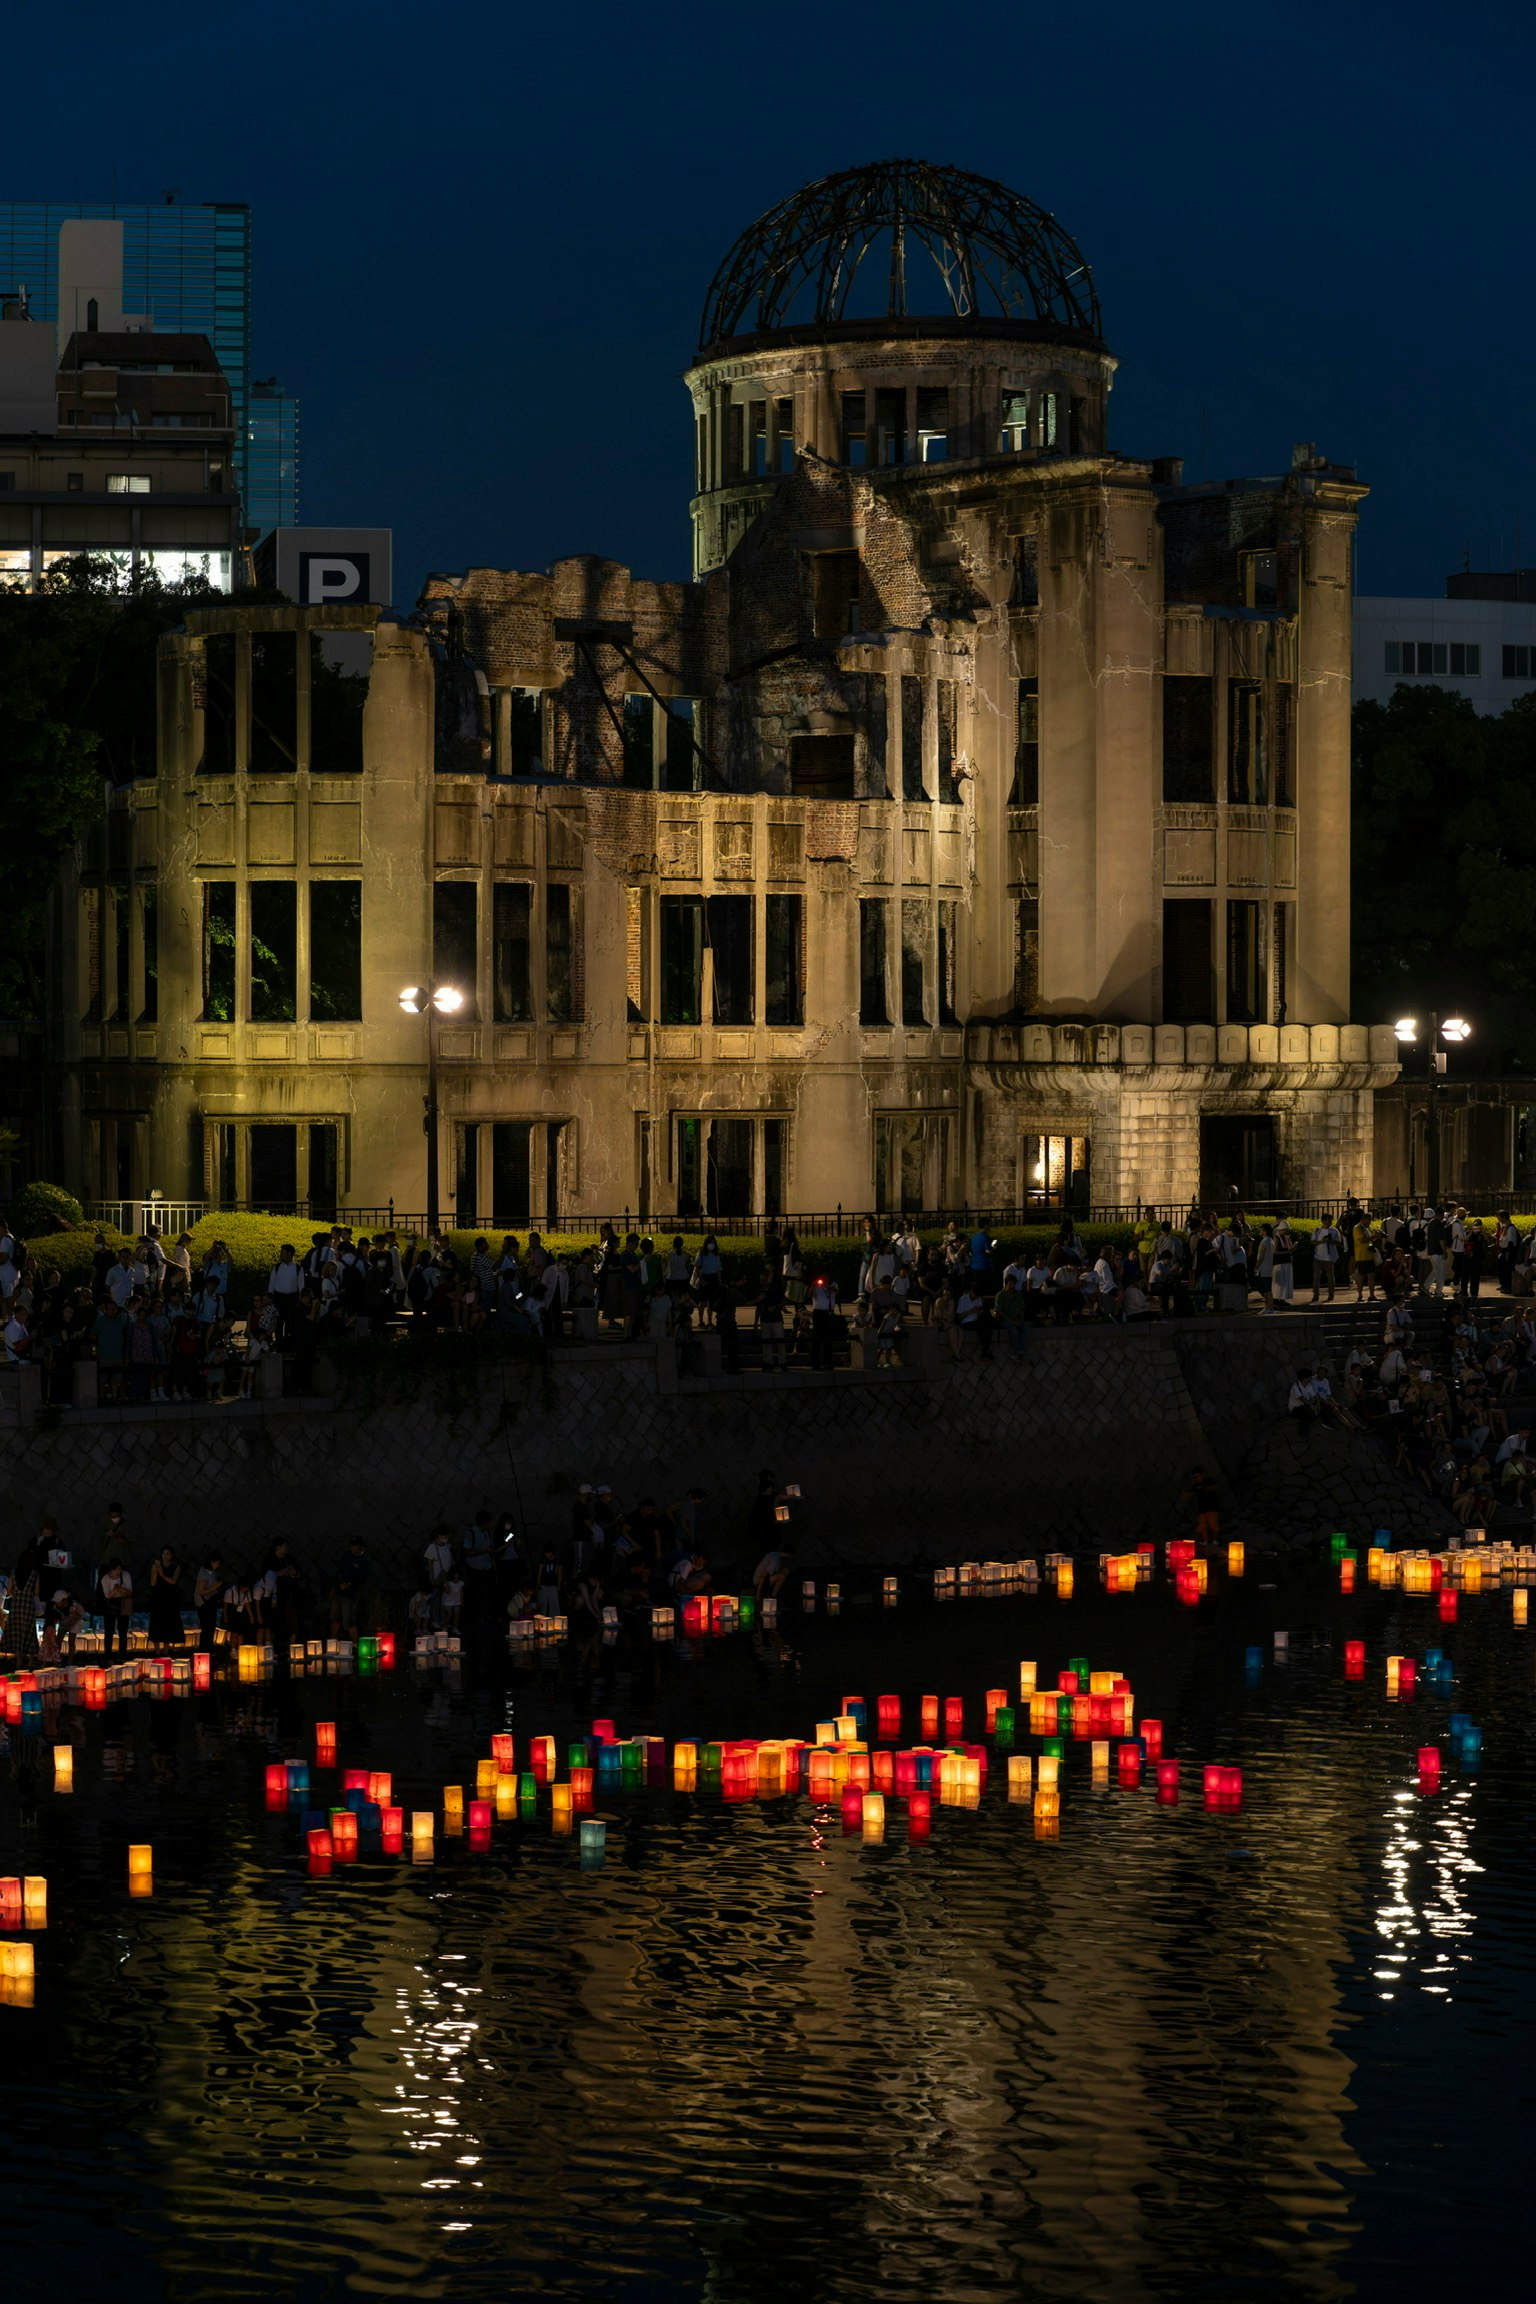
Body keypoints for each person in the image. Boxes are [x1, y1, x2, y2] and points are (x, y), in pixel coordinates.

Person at [147, 1545, 185, 1650]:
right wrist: (156, 1571)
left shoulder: (176, 1568)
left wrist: (162, 1574)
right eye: (163, 1554)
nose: (165, 1556)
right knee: (156, 1621)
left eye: (168, 1554)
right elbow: (153, 1583)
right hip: (158, 1596)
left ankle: (166, 1648)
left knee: (168, 1622)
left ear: (172, 1555)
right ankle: (157, 1649)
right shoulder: (156, 1566)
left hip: (170, 1597)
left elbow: (173, 1581)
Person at [99, 1555, 133, 1659]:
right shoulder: (105, 1579)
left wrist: (122, 1590)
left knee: (123, 1630)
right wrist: (115, 1590)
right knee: (109, 1630)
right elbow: (107, 1595)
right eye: (116, 1569)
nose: (118, 1572)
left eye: (119, 1569)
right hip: (111, 1604)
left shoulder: (125, 1575)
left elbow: (130, 1591)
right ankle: (108, 1654)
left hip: (123, 1602)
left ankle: (122, 1654)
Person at [808, 1272, 841, 1372]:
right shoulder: (816, 1287)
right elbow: (810, 1294)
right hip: (818, 1313)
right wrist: (814, 1284)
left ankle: (828, 1363)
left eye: (826, 1277)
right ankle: (815, 1364)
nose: (824, 1279)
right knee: (817, 1339)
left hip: (829, 1313)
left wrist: (826, 1285)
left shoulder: (833, 1284)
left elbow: (836, 1290)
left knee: (829, 1339)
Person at [193, 1551, 224, 1651]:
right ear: (212, 1562)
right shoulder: (204, 1574)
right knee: (207, 1628)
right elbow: (201, 1591)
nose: (218, 1566)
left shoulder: (212, 1572)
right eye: (218, 1563)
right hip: (204, 1603)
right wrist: (215, 1587)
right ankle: (204, 1649)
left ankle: (208, 1648)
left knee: (210, 1627)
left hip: (211, 1602)